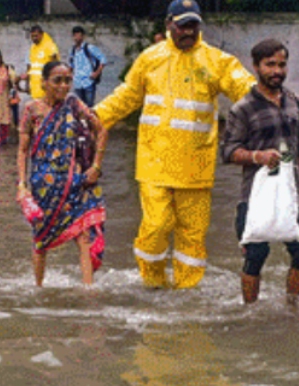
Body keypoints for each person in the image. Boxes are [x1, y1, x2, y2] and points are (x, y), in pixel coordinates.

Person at [94, 0, 256, 289]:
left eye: (193, 25)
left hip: (196, 167)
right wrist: (94, 118)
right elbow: (127, 95)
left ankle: (187, 293)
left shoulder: (217, 62)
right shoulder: (150, 58)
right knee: (155, 227)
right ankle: (152, 284)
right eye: (182, 25)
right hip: (154, 163)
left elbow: (245, 89)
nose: (188, 31)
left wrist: (271, 101)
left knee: (192, 237)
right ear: (169, 24)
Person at [221, 38, 299, 304]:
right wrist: (258, 156)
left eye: (282, 65)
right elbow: (228, 152)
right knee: (255, 256)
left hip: (292, 191)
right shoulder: (243, 108)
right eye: (270, 65)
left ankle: (292, 304)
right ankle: (250, 311)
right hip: (255, 193)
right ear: (255, 67)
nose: (277, 71)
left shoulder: (294, 104)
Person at [16, 61, 109, 288]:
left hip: (74, 182)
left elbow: (101, 130)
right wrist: (22, 184)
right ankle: (38, 289)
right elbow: (22, 149)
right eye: (58, 80)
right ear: (44, 83)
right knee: (41, 240)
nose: (64, 86)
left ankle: (89, 292)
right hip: (44, 187)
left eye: (68, 80)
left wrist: (96, 166)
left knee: (83, 236)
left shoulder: (74, 105)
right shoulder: (32, 110)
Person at [69, 26, 107, 106]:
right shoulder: (73, 50)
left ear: (83, 36)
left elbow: (103, 60)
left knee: (89, 107)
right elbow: (71, 65)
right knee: (79, 107)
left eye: (78, 35)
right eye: (74, 35)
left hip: (88, 81)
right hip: (77, 83)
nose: (76, 38)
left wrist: (96, 73)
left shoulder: (89, 48)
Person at [21, 25, 60, 101]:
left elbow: (56, 65)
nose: (34, 38)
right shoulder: (33, 47)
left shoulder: (49, 46)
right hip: (35, 87)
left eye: (36, 36)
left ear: (41, 34)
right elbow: (31, 67)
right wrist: (27, 84)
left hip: (45, 88)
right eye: (32, 36)